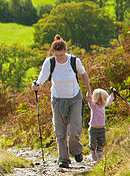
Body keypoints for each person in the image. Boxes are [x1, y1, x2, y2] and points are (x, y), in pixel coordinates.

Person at [31, 35, 90, 168]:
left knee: (75, 129)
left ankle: (76, 150)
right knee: (60, 130)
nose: (59, 58)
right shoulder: (50, 62)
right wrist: (37, 84)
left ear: (65, 51)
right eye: (57, 55)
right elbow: (42, 77)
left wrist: (89, 91)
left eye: (61, 55)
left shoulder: (74, 61)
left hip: (74, 98)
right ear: (53, 53)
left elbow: (84, 74)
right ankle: (63, 159)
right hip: (57, 99)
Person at [87, 87, 115, 163]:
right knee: (92, 142)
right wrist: (88, 96)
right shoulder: (94, 106)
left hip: (102, 129)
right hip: (93, 129)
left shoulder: (103, 106)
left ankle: (99, 153)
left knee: (102, 142)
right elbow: (89, 101)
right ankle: (93, 152)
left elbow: (109, 100)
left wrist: (112, 94)